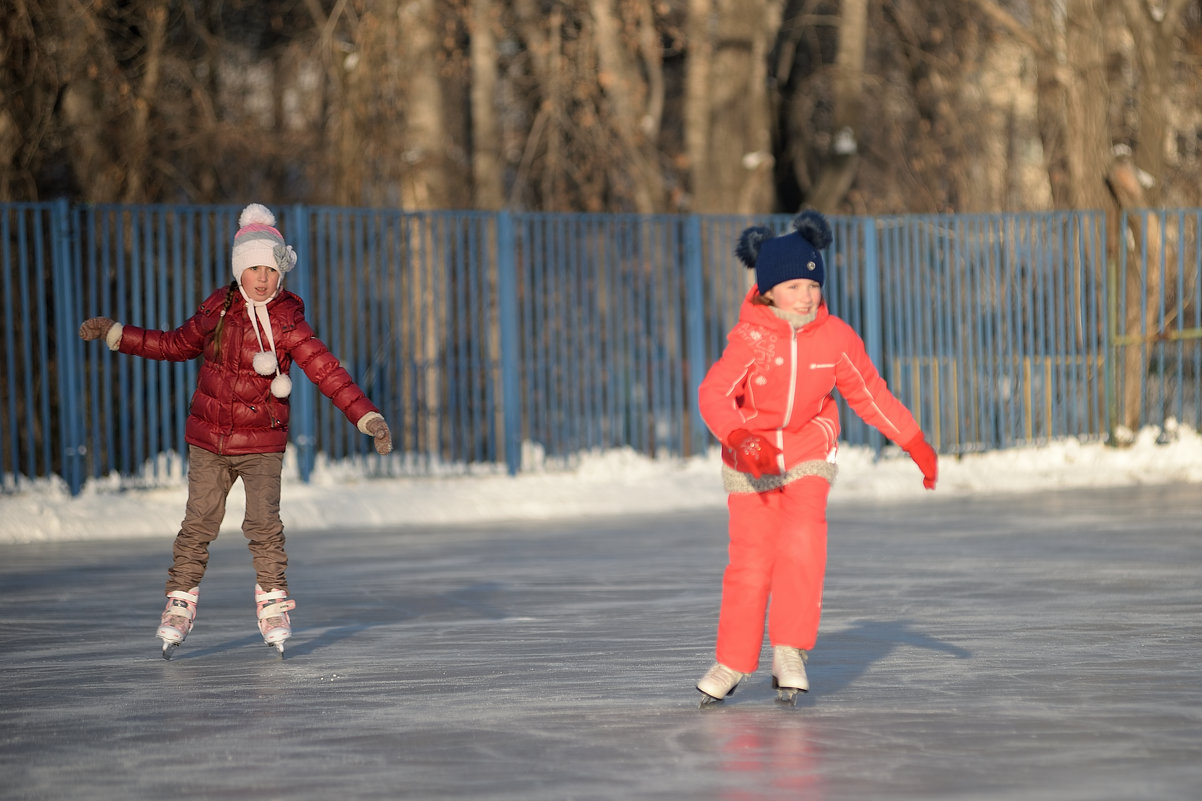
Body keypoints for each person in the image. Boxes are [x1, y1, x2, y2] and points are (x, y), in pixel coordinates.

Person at [79, 203, 394, 658]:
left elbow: (327, 372)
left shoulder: (288, 322)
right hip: (209, 441)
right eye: (253, 269)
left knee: (264, 524)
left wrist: (367, 416)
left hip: (262, 443)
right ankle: (179, 602)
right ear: (238, 270)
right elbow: (173, 345)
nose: (262, 278)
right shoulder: (217, 312)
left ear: (280, 273)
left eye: (270, 268)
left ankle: (272, 604)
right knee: (199, 522)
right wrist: (117, 334)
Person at [695, 210, 938, 704]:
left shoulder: (835, 337)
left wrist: (913, 440)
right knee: (751, 561)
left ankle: (789, 649)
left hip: (809, 449)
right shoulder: (749, 340)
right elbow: (712, 394)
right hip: (752, 460)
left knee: (803, 542)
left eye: (812, 285)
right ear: (767, 291)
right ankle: (732, 660)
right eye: (792, 287)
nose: (806, 296)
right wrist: (740, 436)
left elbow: (870, 394)